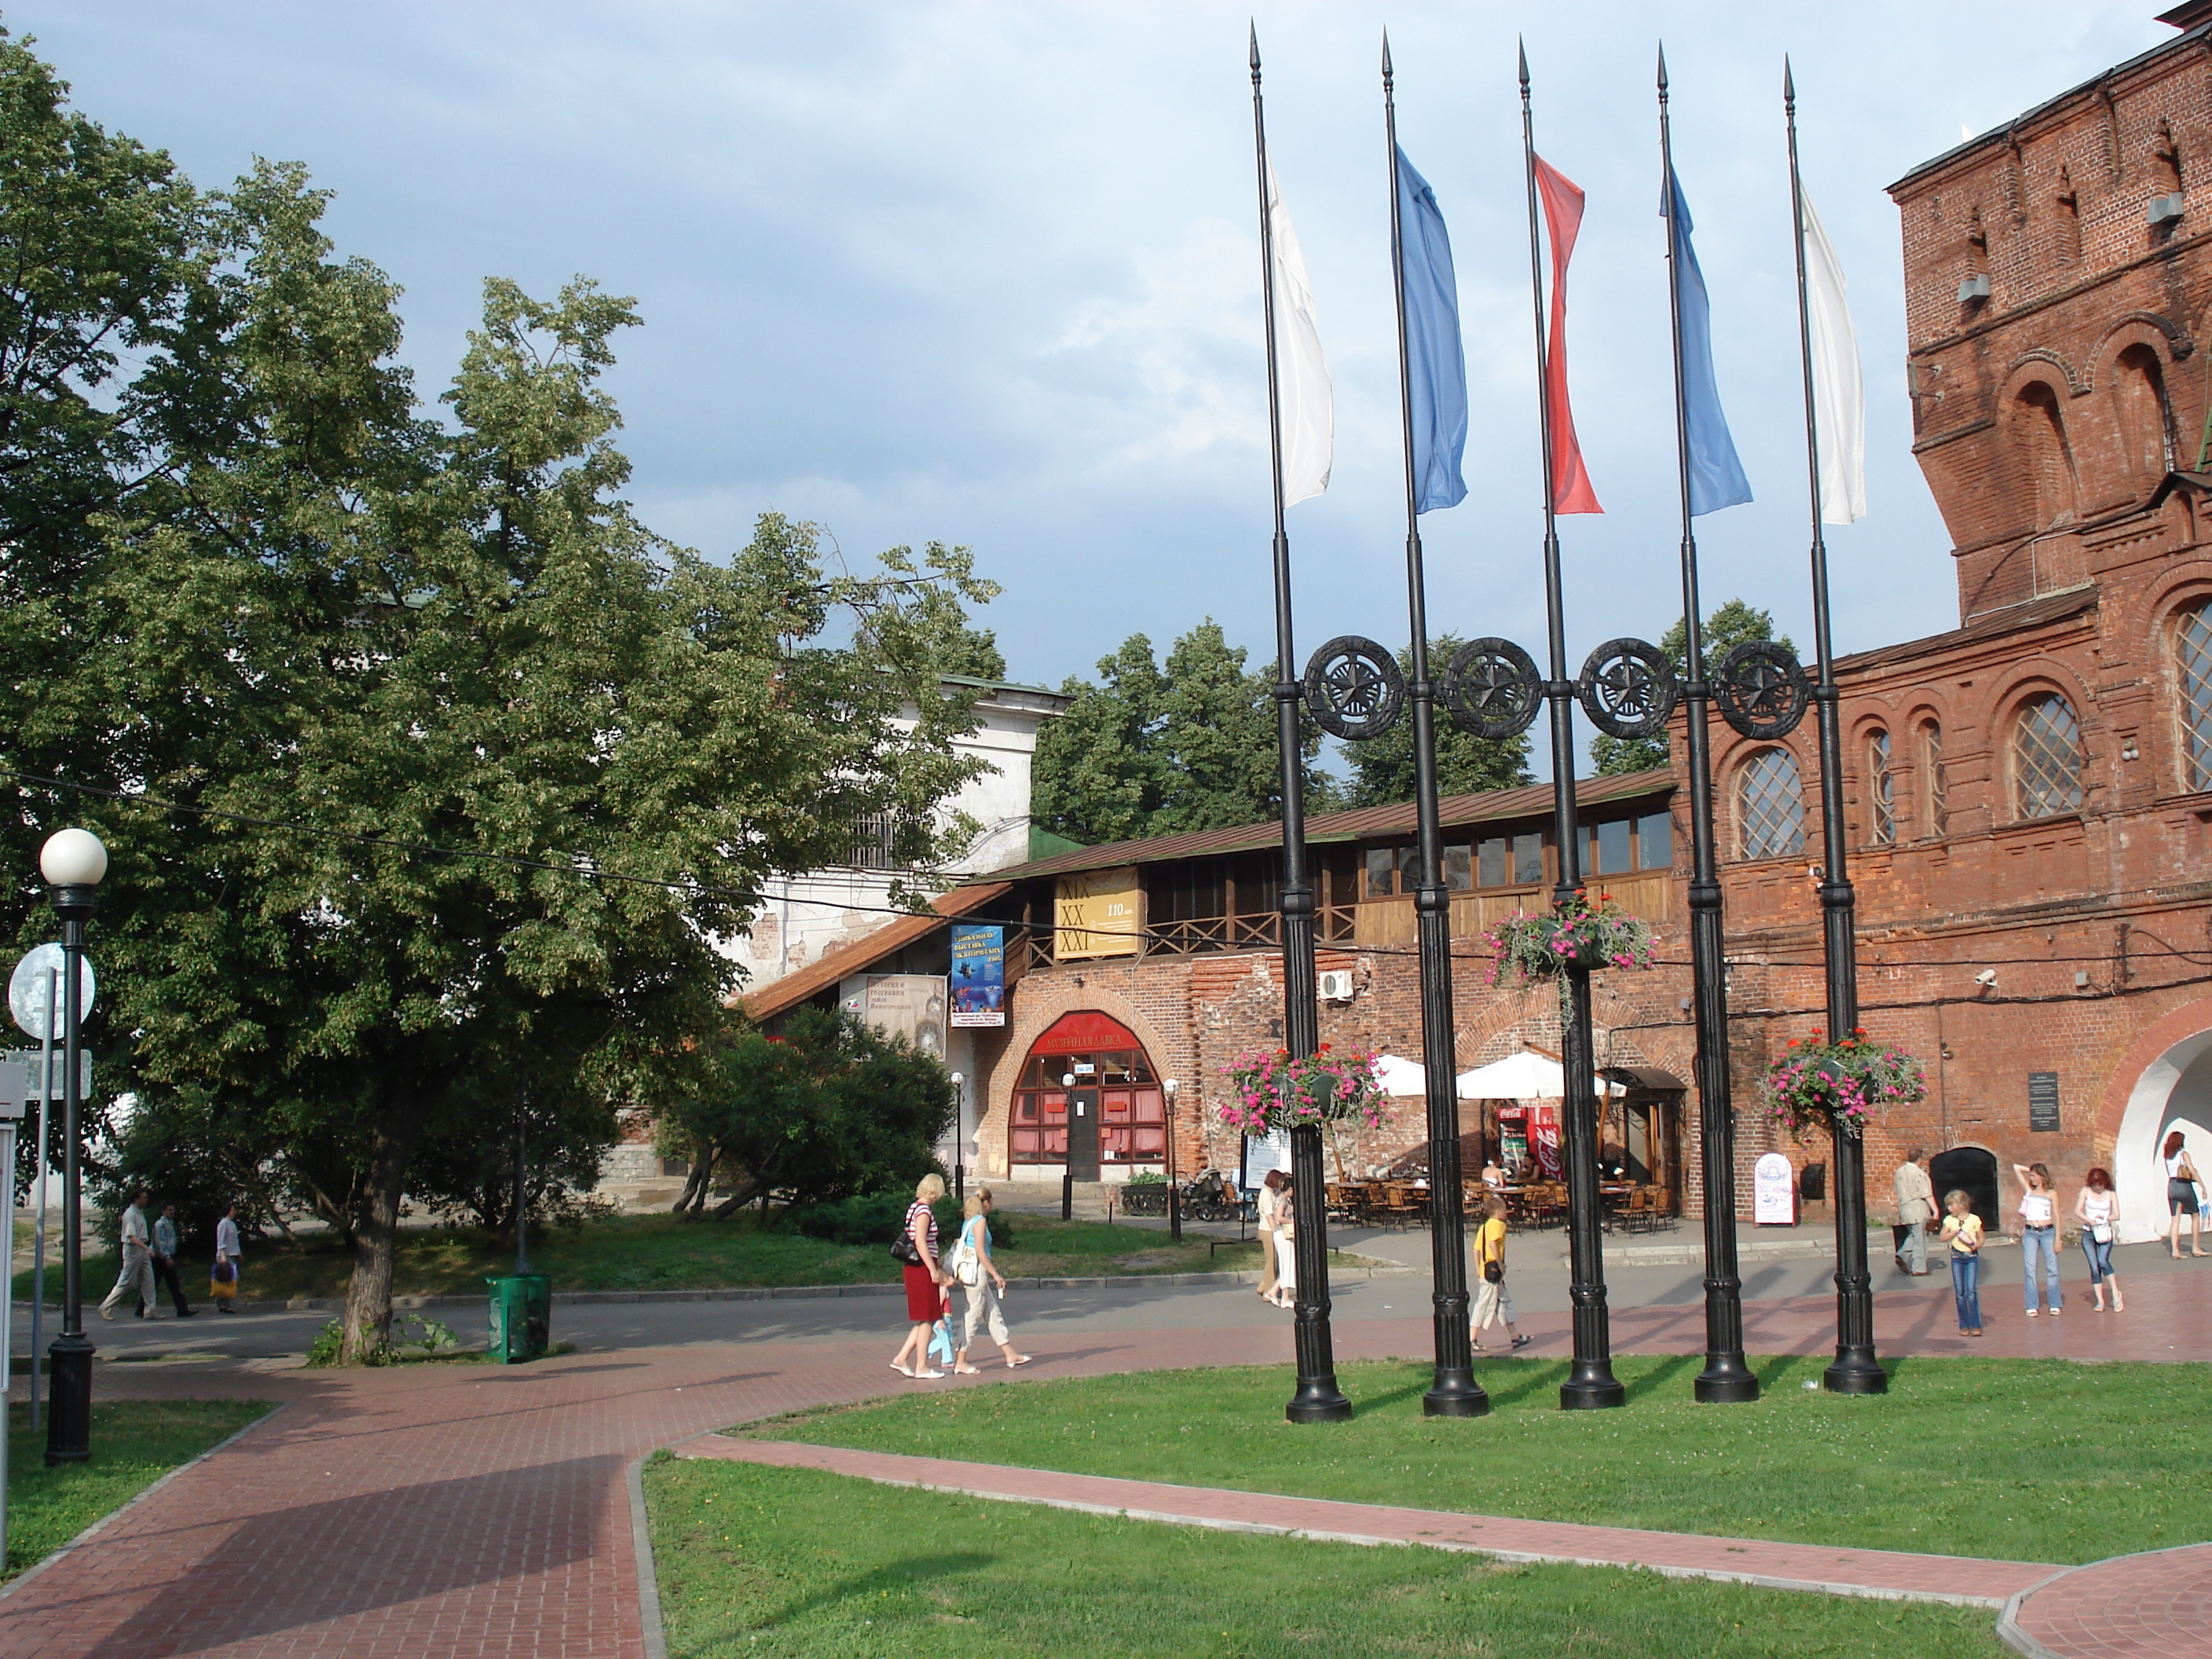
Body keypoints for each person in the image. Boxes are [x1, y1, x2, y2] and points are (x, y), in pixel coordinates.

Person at [951, 1188, 1029, 1372]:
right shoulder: (980, 1222)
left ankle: (1009, 1353)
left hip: (971, 1272)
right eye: (991, 1201)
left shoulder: (969, 1221)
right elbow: (980, 1251)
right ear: (986, 1203)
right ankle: (960, 1360)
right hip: (976, 1272)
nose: (992, 1205)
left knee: (992, 1312)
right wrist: (995, 1274)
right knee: (972, 1314)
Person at [888, 1174, 950, 1379]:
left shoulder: (914, 1208)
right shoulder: (923, 1211)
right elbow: (921, 1242)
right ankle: (921, 1367)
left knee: (924, 1318)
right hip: (922, 1268)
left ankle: (901, 1358)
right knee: (927, 1318)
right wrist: (933, 1270)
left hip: (918, 1267)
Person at [1470, 1193, 1530, 1353]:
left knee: (1503, 1303)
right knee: (1483, 1304)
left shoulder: (1484, 1226)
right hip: (1493, 1273)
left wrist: (1478, 1269)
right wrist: (1500, 1264)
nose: (1506, 1212)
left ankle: (1515, 1336)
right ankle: (1471, 1338)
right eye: (1504, 1210)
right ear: (1498, 1212)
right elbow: (1492, 1244)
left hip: (1485, 1271)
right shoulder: (1498, 1225)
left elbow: (1476, 1250)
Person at [98, 1188, 158, 1320]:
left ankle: (150, 1310)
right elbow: (132, 1237)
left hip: (142, 1249)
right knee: (125, 1280)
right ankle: (106, 1306)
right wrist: (146, 1248)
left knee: (149, 1280)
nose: (146, 1200)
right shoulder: (130, 1214)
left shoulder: (139, 1213)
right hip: (133, 1249)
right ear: (137, 1199)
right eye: (144, 1198)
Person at [2012, 1160, 2062, 1317]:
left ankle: (2054, 1303)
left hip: (2047, 1231)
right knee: (2030, 1268)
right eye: (2031, 1175)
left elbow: (2057, 1216)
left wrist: (2058, 1238)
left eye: (2034, 1175)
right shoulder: (2029, 1191)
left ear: (2042, 1176)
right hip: (2030, 1232)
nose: (2031, 1178)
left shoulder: (2051, 1193)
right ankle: (2032, 1305)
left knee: (2052, 1268)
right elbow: (2016, 1168)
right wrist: (2031, 1169)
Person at [2074, 1166, 2124, 1313]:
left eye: (2100, 1185)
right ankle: (2100, 1300)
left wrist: (2105, 1218)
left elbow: (2117, 1215)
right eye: (2095, 1185)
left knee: (2103, 1261)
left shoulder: (2111, 1195)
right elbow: (2077, 1210)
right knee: (2094, 1267)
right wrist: (2088, 1220)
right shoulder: (2085, 1191)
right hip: (2089, 1232)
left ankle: (2115, 1292)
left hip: (2104, 1233)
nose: (2098, 1188)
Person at [1937, 1188, 1984, 1337]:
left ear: (1962, 1205)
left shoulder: (1974, 1219)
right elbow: (1942, 1237)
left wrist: (1976, 1245)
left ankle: (1975, 1324)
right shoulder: (1949, 1220)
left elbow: (1981, 1238)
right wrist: (1955, 1232)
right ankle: (1964, 1324)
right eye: (1948, 1206)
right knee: (1960, 1292)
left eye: (1952, 1205)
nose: (1949, 1209)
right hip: (1957, 1257)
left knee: (1971, 1291)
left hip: (1971, 1257)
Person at [149, 1202, 197, 1319]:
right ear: (163, 1211)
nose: (172, 1212)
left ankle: (182, 1309)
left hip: (167, 1256)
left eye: (173, 1210)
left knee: (174, 1284)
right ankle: (142, 1308)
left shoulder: (170, 1223)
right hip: (161, 1258)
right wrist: (166, 1257)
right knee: (153, 1284)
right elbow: (160, 1242)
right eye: (169, 1210)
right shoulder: (160, 1224)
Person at [2163, 1130, 2207, 1258]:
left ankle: (2175, 1251)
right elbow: (2192, 1171)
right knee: (2195, 1215)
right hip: (2184, 1185)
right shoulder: (2183, 1154)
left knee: (2175, 1219)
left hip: (2172, 1185)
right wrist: (2202, 1185)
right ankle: (2196, 1247)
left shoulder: (2167, 1156)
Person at [1892, 1148, 1936, 1276]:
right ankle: (1919, 1267)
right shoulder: (1919, 1174)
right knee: (1921, 1239)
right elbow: (1927, 1194)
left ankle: (1903, 1255)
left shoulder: (1900, 1172)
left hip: (1905, 1207)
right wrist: (1936, 1210)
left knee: (1913, 1234)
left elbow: (1897, 1190)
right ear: (1920, 1160)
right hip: (1918, 1208)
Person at [1254, 1170, 1287, 1303]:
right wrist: (1275, 1231)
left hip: (1270, 1229)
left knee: (1274, 1259)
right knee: (1271, 1260)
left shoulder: (1272, 1193)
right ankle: (1268, 1290)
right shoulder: (1266, 1194)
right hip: (1268, 1230)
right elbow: (1269, 1215)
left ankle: (1263, 1286)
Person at [1270, 1180, 1297, 1309]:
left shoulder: (1279, 1199)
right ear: (1290, 1189)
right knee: (1287, 1265)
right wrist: (1293, 1222)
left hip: (1280, 1234)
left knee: (1287, 1264)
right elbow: (1279, 1218)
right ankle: (1285, 1298)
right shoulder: (1282, 1201)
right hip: (1284, 1234)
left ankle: (1274, 1291)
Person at [212, 1201, 243, 1313]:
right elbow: (221, 1241)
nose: (234, 1212)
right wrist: (223, 1256)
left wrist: (239, 1254)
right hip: (225, 1255)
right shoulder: (223, 1223)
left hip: (232, 1254)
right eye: (233, 1210)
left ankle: (223, 1304)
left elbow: (234, 1241)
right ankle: (225, 1304)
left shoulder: (232, 1224)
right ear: (228, 1211)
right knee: (231, 1279)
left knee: (228, 1280)